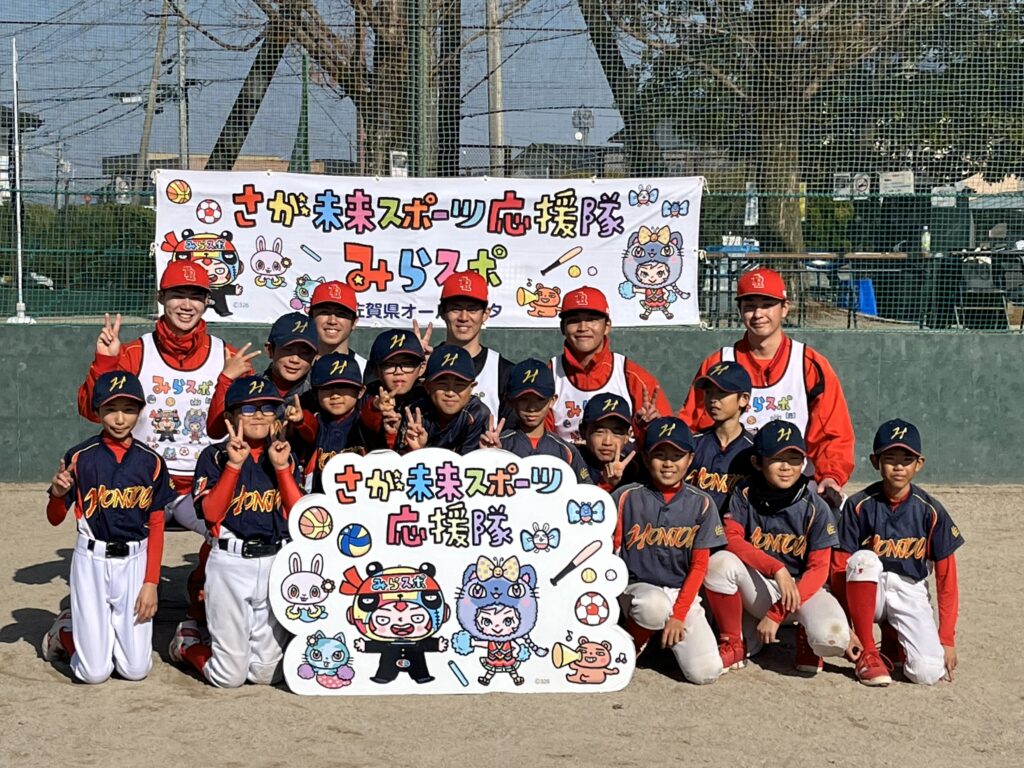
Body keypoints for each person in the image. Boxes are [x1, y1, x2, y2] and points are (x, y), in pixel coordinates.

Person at [76, 260, 232, 533]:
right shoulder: (135, 353)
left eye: (196, 297)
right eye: (177, 295)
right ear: (161, 297)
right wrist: (105, 362)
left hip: (203, 482)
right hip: (141, 478)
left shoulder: (227, 356)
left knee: (230, 535)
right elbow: (91, 411)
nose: (187, 305)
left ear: (207, 301)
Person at [169, 375, 304, 688]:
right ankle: (188, 645)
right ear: (230, 417)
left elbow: (298, 516)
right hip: (231, 562)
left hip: (274, 562)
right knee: (229, 677)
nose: (259, 415)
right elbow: (211, 514)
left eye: (267, 407)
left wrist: (282, 469)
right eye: (249, 408)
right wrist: (233, 465)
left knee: (268, 674)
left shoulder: (283, 453)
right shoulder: (214, 456)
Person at [678, 267, 854, 506]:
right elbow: (693, 424)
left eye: (767, 305)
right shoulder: (719, 363)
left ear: (785, 308)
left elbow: (832, 432)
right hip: (729, 482)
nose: (758, 314)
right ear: (740, 310)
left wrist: (831, 475)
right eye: (750, 306)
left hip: (792, 486)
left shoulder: (809, 364)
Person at [42, 371, 176, 684]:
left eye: (128, 409)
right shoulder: (80, 456)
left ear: (140, 411)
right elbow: (54, 518)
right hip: (91, 559)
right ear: (97, 411)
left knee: (135, 670)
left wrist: (151, 583)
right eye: (110, 409)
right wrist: (58, 495)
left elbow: (157, 523)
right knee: (93, 673)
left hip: (134, 561)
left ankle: (101, 637)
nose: (119, 418)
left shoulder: (151, 461)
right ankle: (65, 633)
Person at [703, 421, 850, 674]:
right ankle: (733, 641)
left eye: (794, 459)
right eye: (777, 459)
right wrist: (776, 568)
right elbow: (731, 537)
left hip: (803, 590)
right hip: (760, 587)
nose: (786, 467)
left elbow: (818, 569)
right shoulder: (745, 492)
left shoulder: (815, 505)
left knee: (833, 637)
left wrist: (776, 613)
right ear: (757, 462)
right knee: (719, 563)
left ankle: (804, 632)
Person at [831, 419, 963, 687]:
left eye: (907, 459)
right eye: (890, 458)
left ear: (919, 463)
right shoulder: (858, 505)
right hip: (869, 589)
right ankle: (868, 651)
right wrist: (847, 626)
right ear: (875, 461)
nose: (899, 466)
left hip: (909, 590)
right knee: (864, 560)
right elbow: (839, 567)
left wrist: (947, 639)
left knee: (927, 672)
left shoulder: (931, 510)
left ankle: (893, 639)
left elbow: (946, 579)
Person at [612, 417, 727, 685]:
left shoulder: (702, 503)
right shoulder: (626, 496)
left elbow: (699, 566)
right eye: (659, 455)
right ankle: (630, 645)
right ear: (645, 457)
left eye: (677, 456)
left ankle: (658, 641)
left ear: (690, 460)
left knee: (707, 672)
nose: (668, 463)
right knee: (653, 606)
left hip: (680, 593)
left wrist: (679, 615)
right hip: (635, 589)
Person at [549, 286, 670, 444]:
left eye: (592, 320)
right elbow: (537, 438)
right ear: (562, 328)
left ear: (607, 326)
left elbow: (666, 442)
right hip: (563, 457)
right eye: (574, 321)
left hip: (622, 459)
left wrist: (646, 428)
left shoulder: (631, 376)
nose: (583, 328)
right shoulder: (549, 374)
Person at [206, 311, 319, 440]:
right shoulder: (251, 387)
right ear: (270, 350)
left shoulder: (321, 389)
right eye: (287, 350)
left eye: (305, 353)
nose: (294, 359)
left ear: (314, 356)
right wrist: (225, 379)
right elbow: (215, 432)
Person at [480, 357, 590, 483]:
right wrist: (490, 457)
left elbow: (587, 490)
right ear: (511, 401)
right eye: (524, 399)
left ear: (552, 401)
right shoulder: (500, 444)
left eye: (540, 399)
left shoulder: (566, 451)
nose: (532, 408)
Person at [434, 270, 514, 421]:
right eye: (456, 308)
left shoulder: (503, 371)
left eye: (472, 309)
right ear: (442, 312)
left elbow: (513, 429)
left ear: (485, 314)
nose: (463, 317)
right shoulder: (427, 364)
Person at [288, 351, 366, 492]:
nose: (335, 395)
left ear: (360, 391)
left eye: (343, 387)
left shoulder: (362, 421)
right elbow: (310, 428)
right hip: (320, 501)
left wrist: (376, 408)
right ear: (315, 393)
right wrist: (300, 421)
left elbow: (373, 421)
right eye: (327, 388)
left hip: (362, 500)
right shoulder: (318, 422)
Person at [687, 361, 755, 511]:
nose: (713, 399)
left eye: (722, 392)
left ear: (743, 399)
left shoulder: (754, 450)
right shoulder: (692, 444)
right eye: (708, 392)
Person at [402, 344, 490, 455]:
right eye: (442, 384)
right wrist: (415, 451)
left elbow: (469, 462)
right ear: (427, 386)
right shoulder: (415, 413)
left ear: (472, 387)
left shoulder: (477, 414)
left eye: (459, 385)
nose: (450, 393)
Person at [359, 330, 428, 453]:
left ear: (421, 368)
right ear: (376, 370)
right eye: (389, 364)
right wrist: (376, 407)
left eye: (407, 364)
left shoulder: (428, 400)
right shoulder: (367, 397)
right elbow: (367, 417)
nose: (398, 371)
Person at [578, 393, 644, 492]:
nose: (607, 442)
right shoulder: (571, 461)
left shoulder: (634, 470)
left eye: (617, 433)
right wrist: (606, 484)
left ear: (628, 436)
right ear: (583, 432)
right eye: (599, 432)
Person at [308, 280, 367, 371]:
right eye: (325, 312)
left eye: (341, 314)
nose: (332, 321)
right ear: (311, 317)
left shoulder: (366, 370)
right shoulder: (297, 367)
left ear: (354, 322)